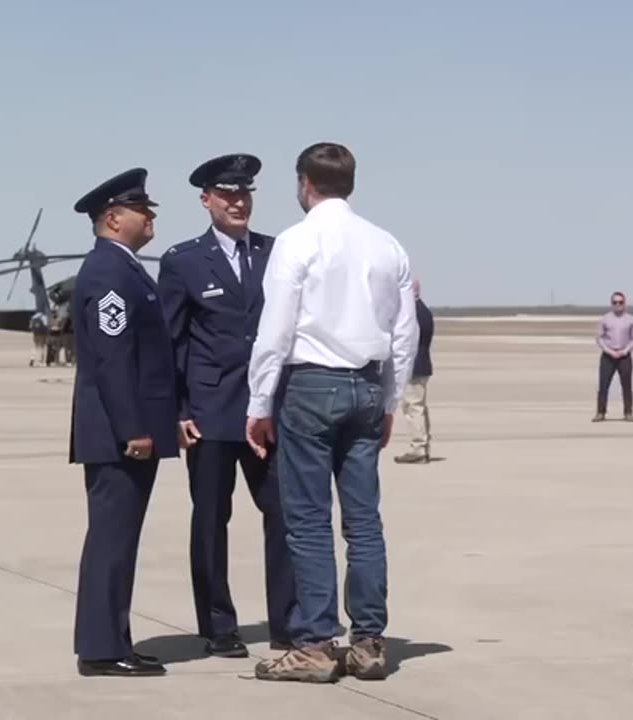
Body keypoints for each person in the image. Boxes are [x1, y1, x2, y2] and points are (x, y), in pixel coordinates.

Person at [245, 142, 418, 683]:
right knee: (364, 520)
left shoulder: (297, 242)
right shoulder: (386, 244)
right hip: (367, 384)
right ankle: (368, 640)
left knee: (308, 520)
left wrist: (259, 401)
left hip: (312, 386)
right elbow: (403, 332)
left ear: (304, 184)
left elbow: (276, 328)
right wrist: (391, 398)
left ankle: (317, 643)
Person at [158, 153, 295, 658]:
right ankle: (218, 625)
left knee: (284, 515)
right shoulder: (183, 260)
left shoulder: (276, 252)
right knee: (211, 519)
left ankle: (288, 621)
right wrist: (176, 412)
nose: (238, 202)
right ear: (206, 200)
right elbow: (170, 343)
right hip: (210, 413)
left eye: (245, 193)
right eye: (227, 194)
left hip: (268, 414)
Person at [68, 168, 179, 678]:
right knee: (112, 541)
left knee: (120, 541)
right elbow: (114, 360)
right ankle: (100, 648)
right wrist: (133, 428)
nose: (150, 216)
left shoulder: (124, 268)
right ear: (113, 219)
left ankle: (113, 639)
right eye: (141, 210)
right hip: (119, 437)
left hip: (129, 431)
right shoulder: (110, 274)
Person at [394, 278, 434, 464]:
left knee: (414, 407)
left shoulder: (414, 313)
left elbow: (408, 340)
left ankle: (419, 448)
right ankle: (422, 445)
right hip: (421, 365)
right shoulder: (423, 311)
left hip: (415, 366)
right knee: (418, 406)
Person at [592, 291, 633, 422]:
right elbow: (599, 338)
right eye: (615, 302)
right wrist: (609, 351)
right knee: (603, 385)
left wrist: (624, 351)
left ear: (624, 304)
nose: (618, 304)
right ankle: (600, 412)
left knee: (627, 385)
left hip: (624, 356)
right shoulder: (605, 319)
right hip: (608, 355)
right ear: (611, 304)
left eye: (620, 302)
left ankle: (628, 413)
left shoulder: (631, 320)